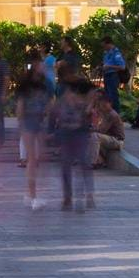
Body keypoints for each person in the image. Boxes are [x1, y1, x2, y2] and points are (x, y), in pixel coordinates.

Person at [51, 71, 96, 212]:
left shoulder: (84, 92)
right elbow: (56, 110)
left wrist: (88, 105)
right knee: (66, 165)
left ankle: (87, 195)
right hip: (66, 132)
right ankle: (68, 198)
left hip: (80, 132)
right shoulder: (64, 94)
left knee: (83, 163)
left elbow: (92, 101)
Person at [14, 66, 52, 209]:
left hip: (35, 122)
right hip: (30, 122)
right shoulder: (33, 90)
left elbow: (48, 107)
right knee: (33, 159)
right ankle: (33, 195)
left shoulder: (40, 89)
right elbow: (20, 108)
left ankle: (31, 194)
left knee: (37, 159)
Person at [88, 90, 126, 167]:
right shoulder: (104, 113)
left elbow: (102, 130)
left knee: (95, 136)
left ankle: (93, 162)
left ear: (110, 104)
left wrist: (90, 130)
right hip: (109, 138)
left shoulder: (112, 115)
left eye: (105, 105)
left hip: (117, 141)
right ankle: (100, 160)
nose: (103, 107)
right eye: (102, 105)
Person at [100, 37, 128, 110]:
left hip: (113, 76)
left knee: (113, 97)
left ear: (109, 44)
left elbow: (122, 67)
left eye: (104, 46)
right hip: (106, 76)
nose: (104, 48)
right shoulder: (106, 53)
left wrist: (109, 67)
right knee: (107, 97)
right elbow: (105, 63)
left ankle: (116, 114)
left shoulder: (116, 53)